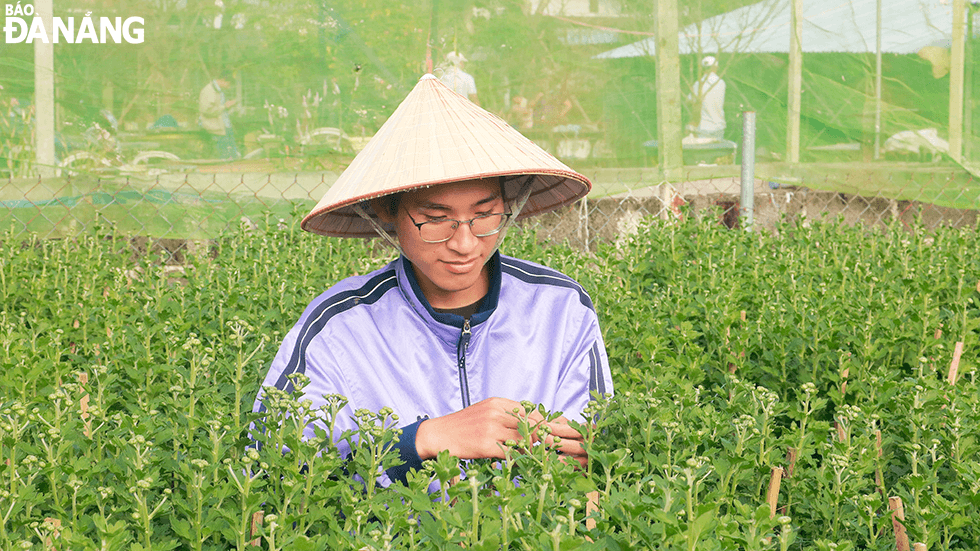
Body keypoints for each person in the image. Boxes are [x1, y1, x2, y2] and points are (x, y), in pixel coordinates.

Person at [252, 74, 612, 485]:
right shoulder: (341, 325)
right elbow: (272, 469)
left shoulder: (559, 308)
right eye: (435, 219)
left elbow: (590, 453)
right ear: (387, 211)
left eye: (484, 214)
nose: (464, 243)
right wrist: (423, 439)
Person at [198, 71, 241, 159]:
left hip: (225, 127)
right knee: (224, 156)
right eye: (228, 84)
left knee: (232, 155)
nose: (228, 87)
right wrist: (225, 106)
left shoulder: (218, 90)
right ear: (223, 80)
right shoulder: (209, 90)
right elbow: (207, 111)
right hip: (217, 129)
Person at [690, 56, 727, 140]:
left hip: (704, 126)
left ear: (703, 69)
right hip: (719, 126)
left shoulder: (698, 84)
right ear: (716, 68)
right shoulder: (721, 83)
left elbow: (690, 101)